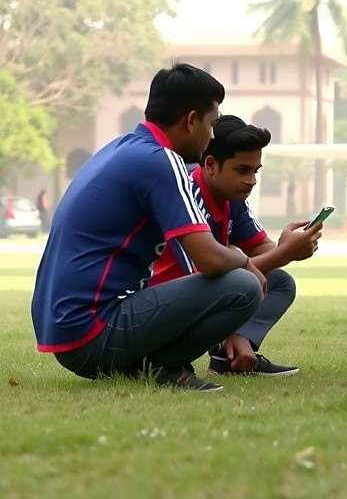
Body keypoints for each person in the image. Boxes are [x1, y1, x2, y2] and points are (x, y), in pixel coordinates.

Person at [31, 63, 269, 392]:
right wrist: (243, 259)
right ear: (190, 121)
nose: (212, 136)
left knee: (236, 279)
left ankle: (151, 364)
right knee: (243, 285)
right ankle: (162, 367)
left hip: (64, 330)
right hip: (90, 333)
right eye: (211, 124)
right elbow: (210, 261)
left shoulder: (121, 149)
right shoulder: (160, 160)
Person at [148, 114, 322, 377]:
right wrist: (284, 253)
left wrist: (291, 246)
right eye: (242, 170)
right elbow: (206, 271)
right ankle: (167, 359)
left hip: (204, 291)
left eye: (255, 171)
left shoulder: (232, 197)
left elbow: (262, 248)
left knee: (279, 282)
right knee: (243, 282)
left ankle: (230, 357)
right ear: (210, 165)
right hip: (164, 300)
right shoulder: (186, 194)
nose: (251, 180)